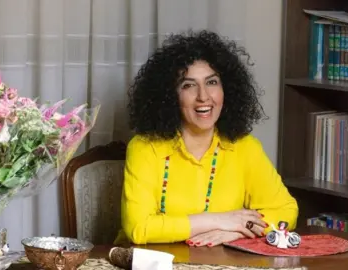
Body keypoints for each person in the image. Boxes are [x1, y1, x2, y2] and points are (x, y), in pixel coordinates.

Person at [115, 30, 298, 247]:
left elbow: (287, 211)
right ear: (170, 95)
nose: (203, 96)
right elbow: (140, 228)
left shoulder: (245, 147)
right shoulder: (145, 148)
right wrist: (221, 220)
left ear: (226, 89)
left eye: (212, 82)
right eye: (188, 85)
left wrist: (239, 231)